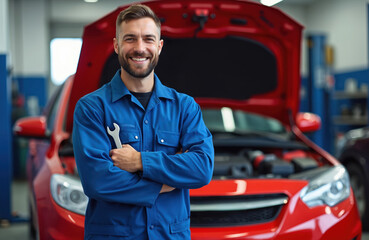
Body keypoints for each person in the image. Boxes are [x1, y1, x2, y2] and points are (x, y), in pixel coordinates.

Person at [72, 4, 214, 240]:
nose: (140, 48)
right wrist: (164, 183)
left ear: (159, 46)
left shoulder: (184, 107)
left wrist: (139, 161)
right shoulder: (92, 107)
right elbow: (97, 181)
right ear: (117, 45)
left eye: (148, 39)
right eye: (130, 39)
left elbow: (201, 168)